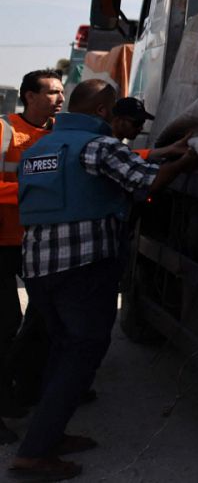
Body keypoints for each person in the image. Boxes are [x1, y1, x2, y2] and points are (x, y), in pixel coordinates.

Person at [11, 80, 198, 481]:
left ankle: (50, 434)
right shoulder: (100, 146)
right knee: (83, 352)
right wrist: (185, 162)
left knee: (61, 351)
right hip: (83, 268)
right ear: (101, 112)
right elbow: (148, 182)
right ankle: (35, 452)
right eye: (112, 109)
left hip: (39, 271)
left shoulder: (38, 150)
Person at [0, 71, 65, 428]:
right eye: (53, 91)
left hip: (36, 244)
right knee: (7, 321)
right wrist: (28, 193)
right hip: (3, 243)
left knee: (47, 316)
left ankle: (27, 384)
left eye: (62, 91)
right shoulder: (5, 130)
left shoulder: (58, 134)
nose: (60, 97)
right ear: (29, 96)